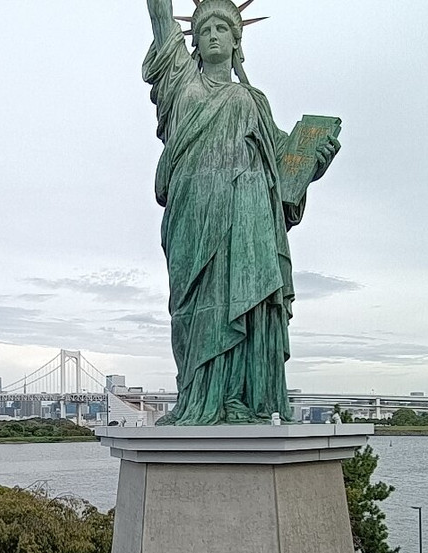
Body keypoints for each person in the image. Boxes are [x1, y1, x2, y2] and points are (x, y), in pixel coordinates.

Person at [144, 0, 338, 425]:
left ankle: (240, 398)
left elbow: (286, 168)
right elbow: (160, 14)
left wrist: (315, 158)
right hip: (193, 212)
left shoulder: (253, 101)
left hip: (247, 218)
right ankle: (198, 396)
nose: (212, 35)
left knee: (246, 302)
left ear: (236, 41)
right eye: (204, 29)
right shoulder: (180, 82)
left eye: (221, 28)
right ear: (193, 41)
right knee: (194, 306)